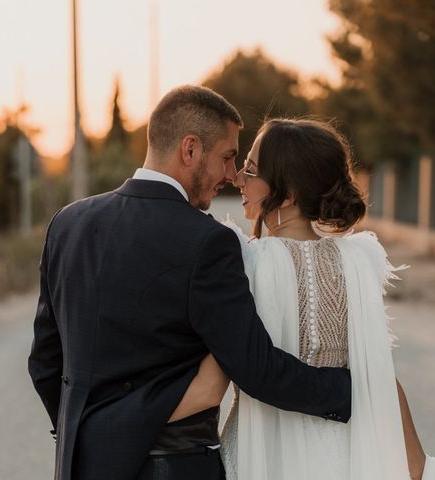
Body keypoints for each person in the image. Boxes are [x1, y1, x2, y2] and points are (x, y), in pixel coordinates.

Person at [28, 87, 352, 480]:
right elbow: (257, 369)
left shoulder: (68, 223)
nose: (233, 176)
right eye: (228, 158)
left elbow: (45, 362)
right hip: (172, 467)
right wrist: (351, 389)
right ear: (190, 150)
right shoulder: (208, 241)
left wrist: (86, 436)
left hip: (80, 465)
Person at [178, 118, 435, 479]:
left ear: (290, 193)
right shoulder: (358, 262)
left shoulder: (247, 263)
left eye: (250, 169)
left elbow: (213, 380)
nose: (238, 179)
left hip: (263, 455)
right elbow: (376, 376)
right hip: (346, 455)